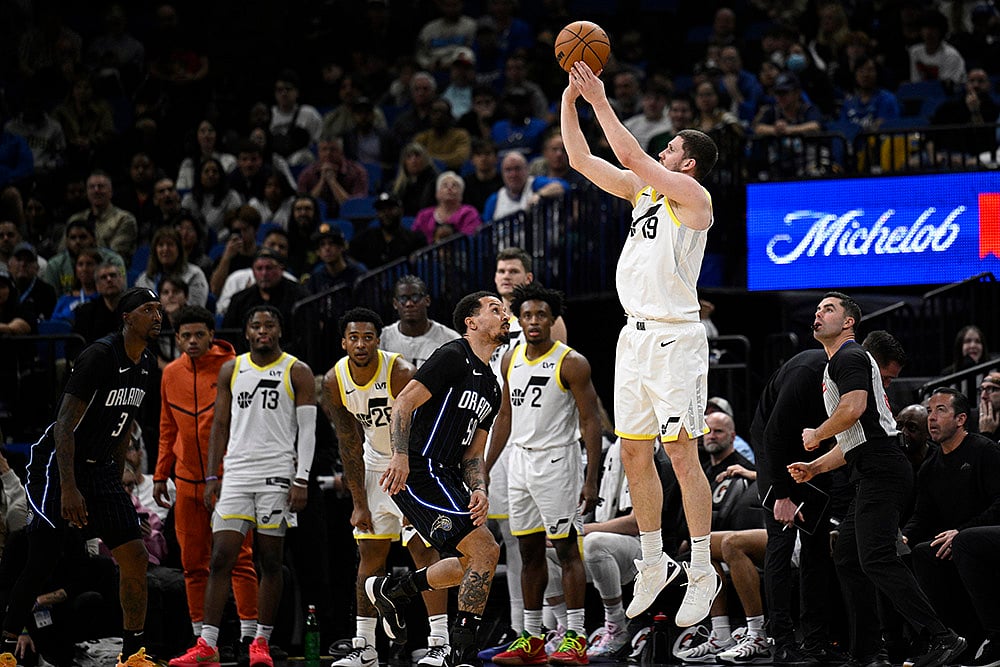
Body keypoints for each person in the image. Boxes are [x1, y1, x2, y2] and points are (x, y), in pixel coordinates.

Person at [561, 61, 721, 627]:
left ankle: (701, 567)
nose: (662, 150)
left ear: (688, 162)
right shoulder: (643, 194)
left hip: (676, 337)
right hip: (633, 336)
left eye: (671, 147)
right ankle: (653, 560)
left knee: (681, 453)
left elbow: (630, 154)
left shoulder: (693, 196)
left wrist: (599, 98)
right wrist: (570, 100)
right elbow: (581, 159)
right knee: (633, 452)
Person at [788, 292, 967, 667]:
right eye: (817, 309)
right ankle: (869, 652)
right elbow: (854, 440)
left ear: (849, 322)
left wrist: (816, 433)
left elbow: (853, 409)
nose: (819, 313)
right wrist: (815, 467)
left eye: (829, 309)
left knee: (876, 557)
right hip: (872, 464)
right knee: (850, 557)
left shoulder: (849, 355)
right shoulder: (839, 362)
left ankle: (942, 637)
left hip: (882, 468)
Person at [0, 287, 163, 666]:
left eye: (159, 309)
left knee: (135, 555)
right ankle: (5, 648)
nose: (157, 316)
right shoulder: (99, 356)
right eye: (148, 309)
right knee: (42, 560)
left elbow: (125, 424)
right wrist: (69, 487)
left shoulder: (146, 363)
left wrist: (116, 477)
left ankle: (132, 654)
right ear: (127, 318)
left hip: (101, 467)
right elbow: (63, 425)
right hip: (56, 465)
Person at [364, 292, 508, 666]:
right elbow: (403, 403)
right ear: (471, 322)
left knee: (475, 559)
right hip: (418, 470)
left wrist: (479, 488)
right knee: (485, 550)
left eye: (504, 310)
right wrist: (399, 455)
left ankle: (395, 590)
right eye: (495, 309)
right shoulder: (452, 355)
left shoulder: (493, 387)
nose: (505, 315)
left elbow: (473, 453)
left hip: (447, 475)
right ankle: (462, 652)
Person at [168, 305, 316, 667]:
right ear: (246, 332)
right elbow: (219, 425)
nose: (262, 330)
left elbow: (308, 431)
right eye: (256, 325)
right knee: (221, 556)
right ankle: (208, 643)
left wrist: (302, 478)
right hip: (235, 474)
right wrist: (212, 476)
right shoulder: (232, 369)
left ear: (279, 330)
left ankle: (260, 641)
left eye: (269, 324)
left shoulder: (297, 370)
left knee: (270, 560)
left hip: (277, 474)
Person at [320, 308, 451, 667]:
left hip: (412, 463)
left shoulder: (399, 372)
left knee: (422, 551)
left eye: (368, 337)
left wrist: (414, 487)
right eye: (354, 338)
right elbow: (349, 442)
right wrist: (358, 503)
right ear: (344, 342)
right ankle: (366, 647)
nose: (361, 344)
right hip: (374, 466)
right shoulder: (334, 380)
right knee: (370, 555)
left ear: (379, 340)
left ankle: (440, 643)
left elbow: (423, 431)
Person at [486, 284, 602, 666]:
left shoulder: (572, 362)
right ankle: (532, 638)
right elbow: (505, 416)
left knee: (566, 550)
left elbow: (590, 422)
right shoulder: (510, 358)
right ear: (518, 320)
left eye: (541, 315)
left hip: (557, 462)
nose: (534, 321)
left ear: (553, 320)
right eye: (527, 315)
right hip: (519, 463)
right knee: (528, 552)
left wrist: (591, 479)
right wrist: (485, 466)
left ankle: (576, 637)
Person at [155, 305, 259, 649]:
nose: (193, 341)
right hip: (186, 481)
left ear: (212, 335)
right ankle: (201, 638)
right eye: (185, 335)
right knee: (192, 563)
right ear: (176, 338)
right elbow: (167, 427)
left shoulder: (235, 367)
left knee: (239, 558)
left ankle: (249, 636)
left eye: (200, 334)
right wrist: (160, 474)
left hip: (230, 479)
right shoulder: (171, 374)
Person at [904, 387, 1000, 651]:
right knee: (920, 552)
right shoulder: (929, 467)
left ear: (961, 419)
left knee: (964, 542)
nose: (931, 418)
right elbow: (922, 516)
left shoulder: (985, 450)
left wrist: (961, 531)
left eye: (940, 410)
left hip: (985, 537)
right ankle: (950, 639)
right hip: (957, 542)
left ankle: (994, 637)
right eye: (929, 411)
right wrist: (904, 536)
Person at [222, 248, 309, 355]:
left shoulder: (300, 297)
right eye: (259, 269)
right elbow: (228, 337)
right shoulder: (240, 300)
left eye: (269, 268)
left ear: (281, 269)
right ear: (253, 272)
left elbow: (305, 338)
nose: (264, 273)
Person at [379, 275, 459, 368]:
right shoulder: (382, 339)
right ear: (395, 303)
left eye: (415, 297)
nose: (409, 304)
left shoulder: (450, 340)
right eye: (403, 299)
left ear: (427, 300)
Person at [67, 170, 138, 266]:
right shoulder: (75, 219)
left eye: (101, 186)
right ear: (87, 192)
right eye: (92, 187)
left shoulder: (124, 219)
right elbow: (62, 252)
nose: (96, 190)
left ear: (111, 191)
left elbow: (115, 256)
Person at [43, 218, 126, 297]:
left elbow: (122, 291)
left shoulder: (113, 260)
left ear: (94, 239)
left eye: (83, 237)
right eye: (73, 238)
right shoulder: (54, 265)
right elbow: (50, 298)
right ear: (67, 241)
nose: (77, 242)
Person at [348, 192, 427, 271]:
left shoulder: (414, 239)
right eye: (381, 210)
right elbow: (349, 257)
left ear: (401, 210)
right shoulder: (365, 237)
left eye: (390, 209)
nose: (386, 214)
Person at [134, 227, 209, 309]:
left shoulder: (195, 275)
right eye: (161, 245)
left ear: (179, 249)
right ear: (155, 250)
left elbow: (196, 309)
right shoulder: (144, 279)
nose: (165, 249)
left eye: (170, 244)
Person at [295, 136, 369, 218]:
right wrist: (322, 182)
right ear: (318, 152)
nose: (328, 153)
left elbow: (355, 207)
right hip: (316, 220)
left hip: (349, 219)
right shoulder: (307, 174)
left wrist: (332, 182)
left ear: (341, 152)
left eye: (333, 149)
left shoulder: (357, 172)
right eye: (324, 149)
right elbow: (303, 205)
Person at [482, 152, 565, 223]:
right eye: (508, 170)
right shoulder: (494, 200)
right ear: (502, 173)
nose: (513, 174)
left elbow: (563, 186)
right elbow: (485, 227)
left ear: (526, 169)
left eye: (517, 168)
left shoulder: (535, 184)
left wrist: (540, 195)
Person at [412, 172, 482, 244]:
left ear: (461, 195)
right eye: (445, 185)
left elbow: (471, 240)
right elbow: (415, 240)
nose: (449, 188)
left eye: (454, 185)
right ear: (437, 194)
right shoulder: (424, 215)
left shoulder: (469, 213)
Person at [73, 261, 126, 344]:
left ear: (122, 280)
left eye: (113, 275)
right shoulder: (86, 312)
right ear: (97, 286)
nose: (109, 280)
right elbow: (75, 346)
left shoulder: (134, 309)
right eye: (103, 277)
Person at [977, 373, 1000, 443]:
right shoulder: (969, 418)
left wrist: (986, 434)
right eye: (982, 389)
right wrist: (986, 434)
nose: (983, 396)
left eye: (991, 389)